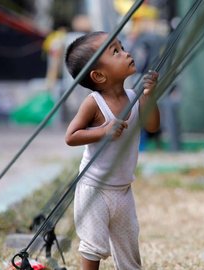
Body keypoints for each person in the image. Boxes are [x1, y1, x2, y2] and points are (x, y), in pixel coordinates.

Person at [64, 31, 160, 270]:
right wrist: (102, 131)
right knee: (93, 246)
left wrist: (149, 95)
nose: (126, 53)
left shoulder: (133, 98)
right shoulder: (94, 103)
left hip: (123, 189)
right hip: (94, 188)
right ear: (98, 75)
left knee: (128, 248)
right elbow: (71, 136)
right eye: (115, 51)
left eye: (122, 47)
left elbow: (152, 125)